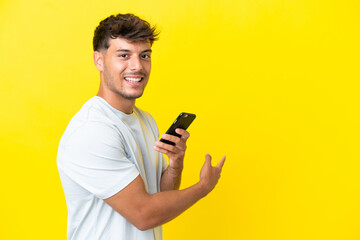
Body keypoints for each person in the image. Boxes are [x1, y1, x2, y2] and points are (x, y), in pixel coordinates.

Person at [57, 13, 225, 240]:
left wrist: (175, 166)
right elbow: (144, 214)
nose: (137, 66)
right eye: (124, 55)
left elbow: (160, 199)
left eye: (144, 55)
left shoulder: (145, 120)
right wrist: (203, 186)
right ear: (99, 61)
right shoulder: (92, 130)